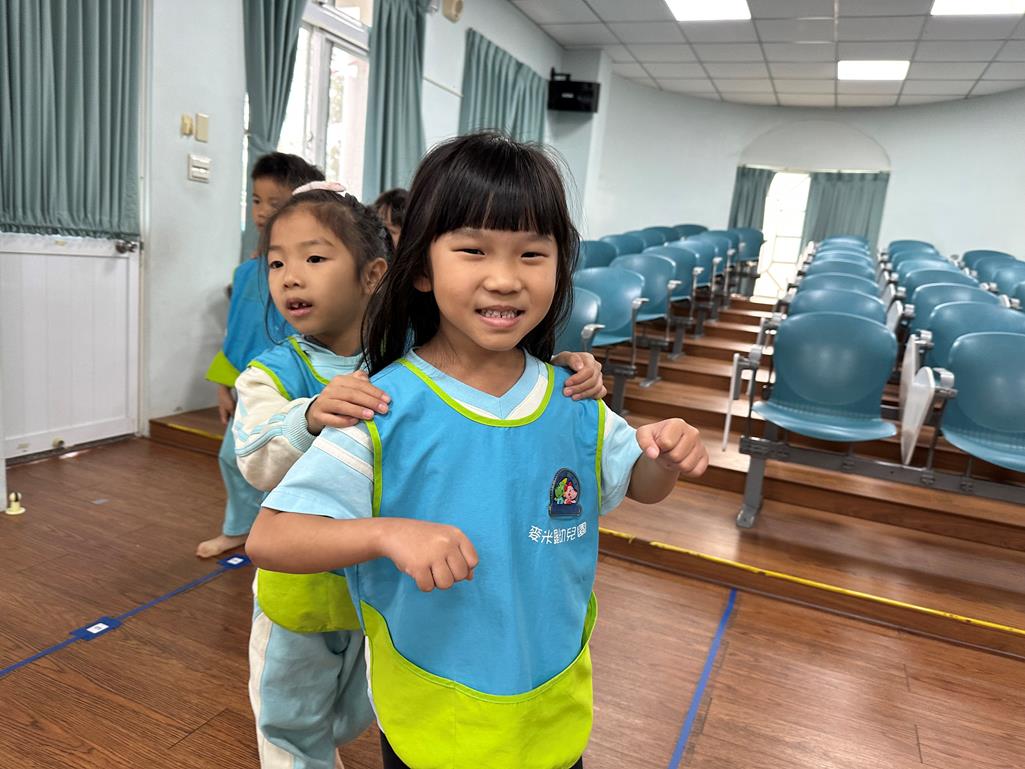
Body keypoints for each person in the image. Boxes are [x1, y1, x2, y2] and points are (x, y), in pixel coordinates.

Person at [247, 133, 708, 769]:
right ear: (421, 268)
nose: (505, 278)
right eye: (472, 250)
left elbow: (641, 486)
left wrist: (664, 456)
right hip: (435, 717)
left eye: (532, 254)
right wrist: (386, 533)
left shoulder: (572, 396)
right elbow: (271, 537)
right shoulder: (383, 407)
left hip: (552, 708)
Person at [196, 153, 324, 558]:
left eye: (275, 202)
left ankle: (286, 538)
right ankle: (240, 528)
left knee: (290, 469)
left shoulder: (310, 280)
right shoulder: (246, 274)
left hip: (299, 394)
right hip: (252, 388)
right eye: (256, 200)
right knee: (234, 458)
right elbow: (237, 334)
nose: (263, 211)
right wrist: (224, 385)